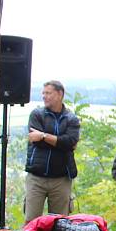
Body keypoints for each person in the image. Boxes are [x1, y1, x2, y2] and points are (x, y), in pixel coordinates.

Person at [24, 80, 81, 223]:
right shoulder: (37, 114)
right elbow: (38, 142)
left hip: (61, 179)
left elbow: (70, 142)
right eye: (43, 93)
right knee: (31, 222)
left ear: (60, 94)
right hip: (36, 177)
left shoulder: (71, 119)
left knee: (60, 223)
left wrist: (43, 136)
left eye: (48, 93)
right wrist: (61, 142)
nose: (44, 96)